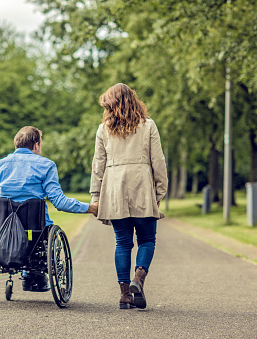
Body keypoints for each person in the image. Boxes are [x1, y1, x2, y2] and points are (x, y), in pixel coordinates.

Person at [0, 126, 98, 292]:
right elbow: (60, 202)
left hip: (4, 229)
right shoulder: (46, 165)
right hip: (36, 230)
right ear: (36, 145)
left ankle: (28, 275)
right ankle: (32, 275)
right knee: (41, 233)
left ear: (16, 145)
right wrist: (90, 208)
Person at [90, 83, 168, 309]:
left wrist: (96, 195)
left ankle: (125, 295)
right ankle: (138, 278)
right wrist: (160, 190)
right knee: (147, 239)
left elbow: (98, 165)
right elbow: (158, 161)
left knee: (123, 243)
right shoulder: (148, 126)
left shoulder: (103, 129)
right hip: (142, 185)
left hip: (115, 187)